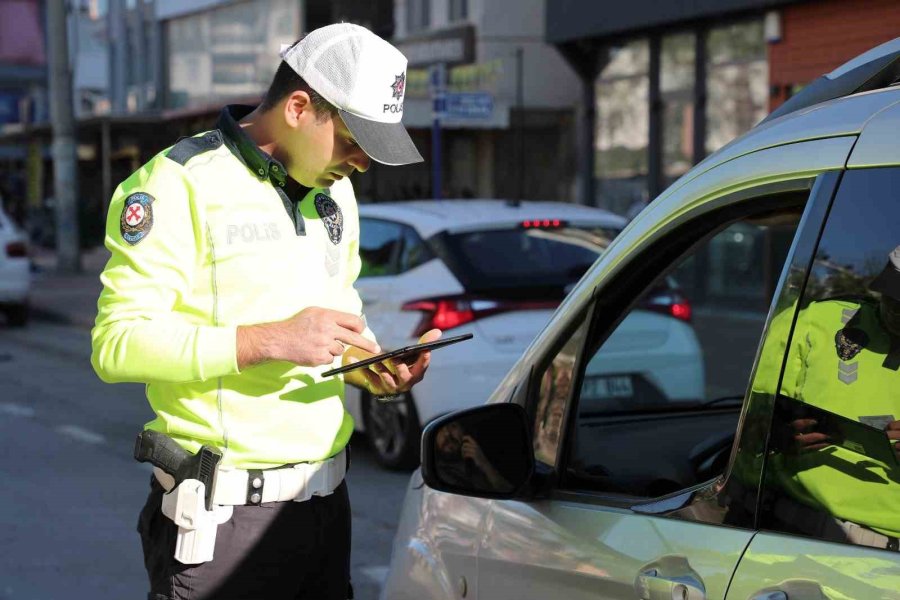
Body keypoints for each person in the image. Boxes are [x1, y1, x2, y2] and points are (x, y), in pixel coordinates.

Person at [91, 23, 440, 600]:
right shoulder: (174, 185)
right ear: (300, 107)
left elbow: (332, 326)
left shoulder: (336, 194)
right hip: (223, 522)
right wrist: (268, 340)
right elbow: (115, 344)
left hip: (328, 508)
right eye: (355, 141)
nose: (362, 163)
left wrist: (370, 365)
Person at [761, 245, 900, 550]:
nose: (897, 312)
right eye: (895, 298)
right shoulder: (811, 326)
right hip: (801, 539)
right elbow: (749, 434)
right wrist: (773, 439)